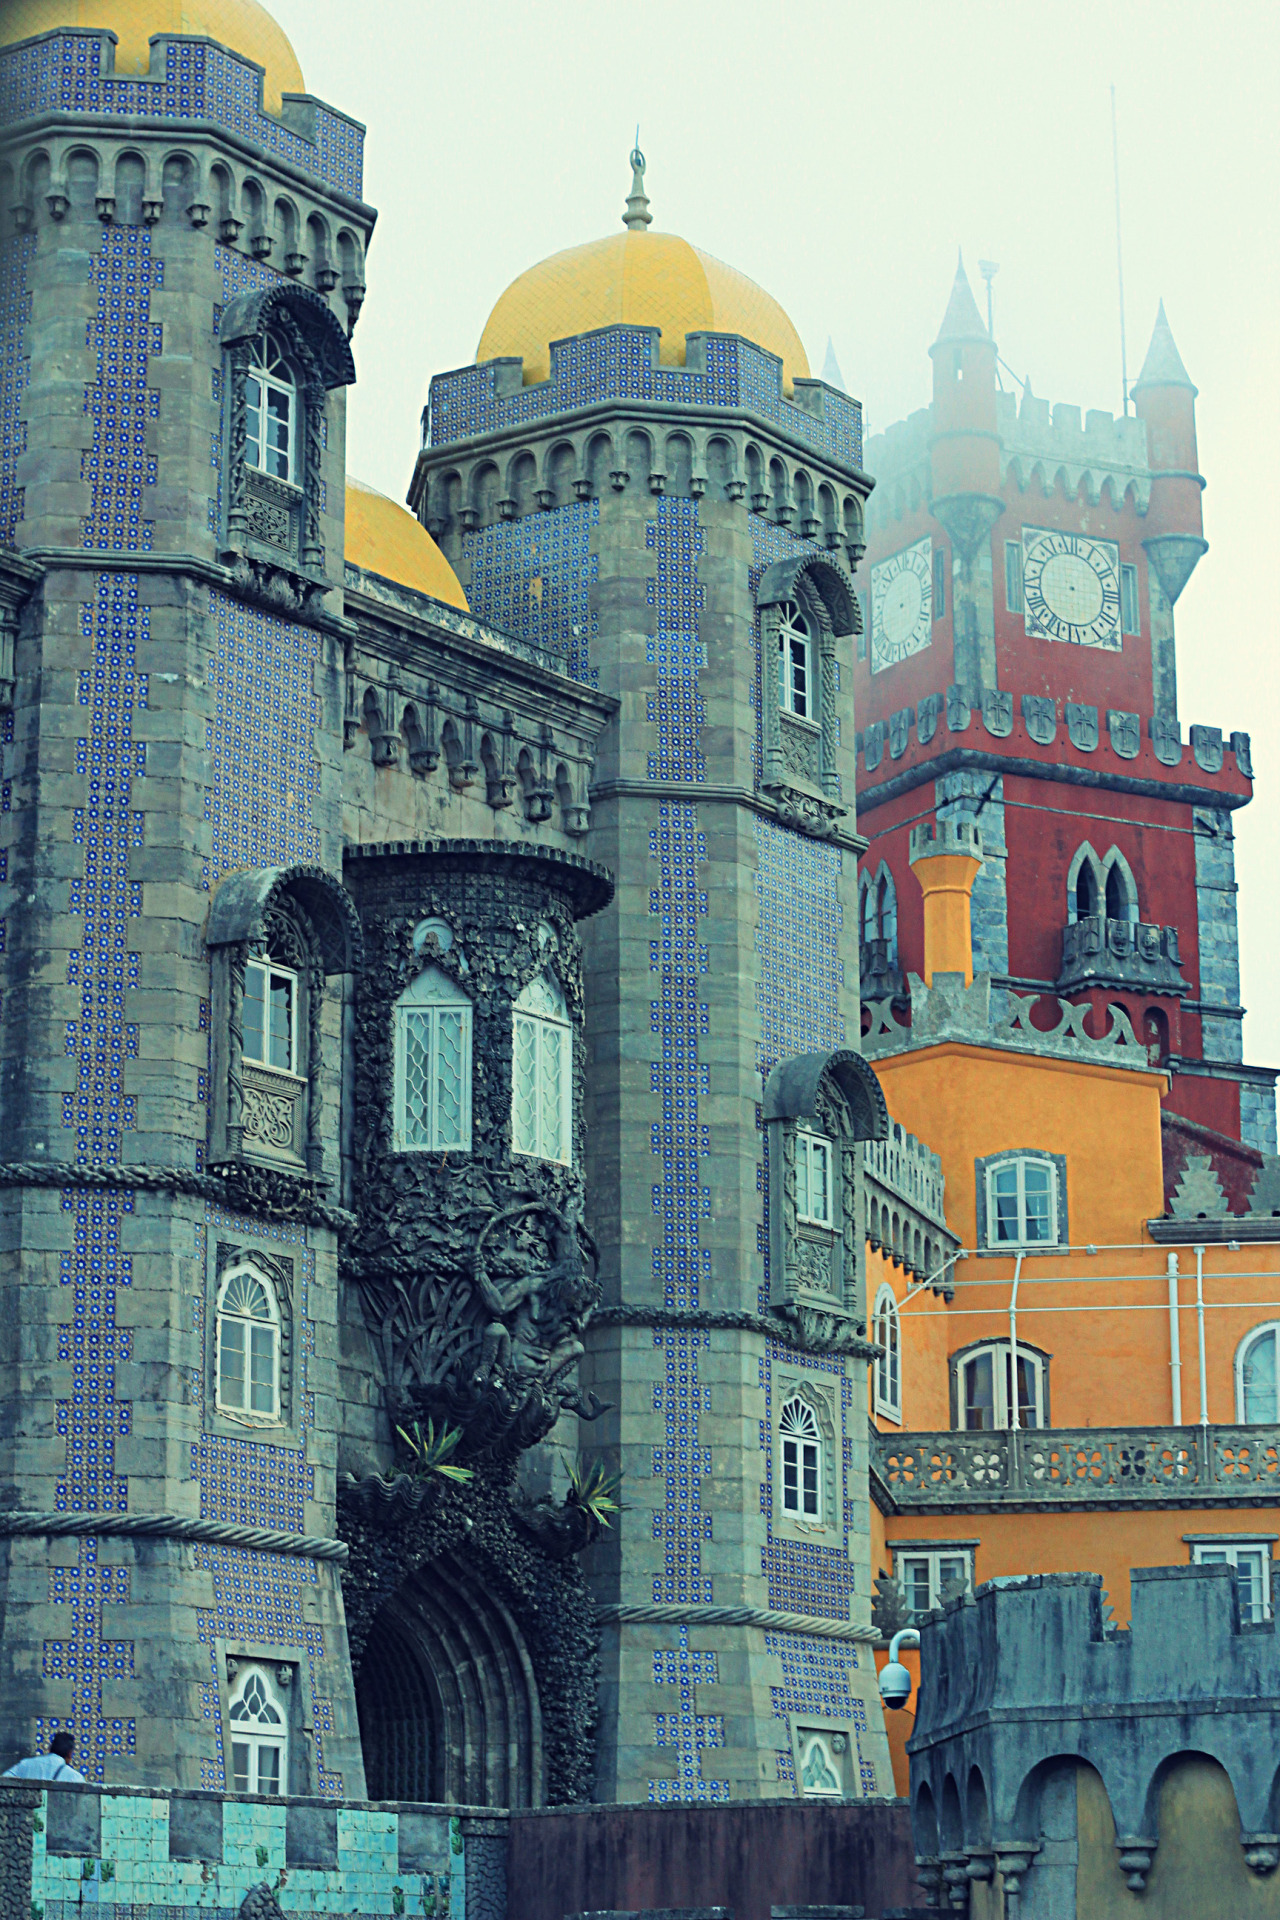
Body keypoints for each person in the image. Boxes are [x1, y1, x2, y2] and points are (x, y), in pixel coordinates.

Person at [3, 1731, 85, 1782]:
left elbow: (4, 1780)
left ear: (50, 1748)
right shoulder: (75, 1777)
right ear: (69, 1754)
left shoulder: (25, 1764)